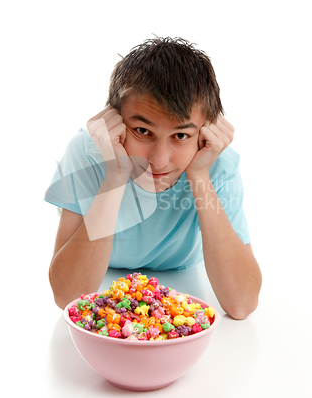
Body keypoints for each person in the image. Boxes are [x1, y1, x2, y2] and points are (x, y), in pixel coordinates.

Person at [45, 37, 262, 318]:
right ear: (116, 120)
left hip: (184, 285)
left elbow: (241, 304)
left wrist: (199, 174)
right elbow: (67, 297)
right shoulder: (89, 153)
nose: (159, 160)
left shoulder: (218, 164)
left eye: (181, 135)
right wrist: (116, 174)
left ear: (204, 133)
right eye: (143, 131)